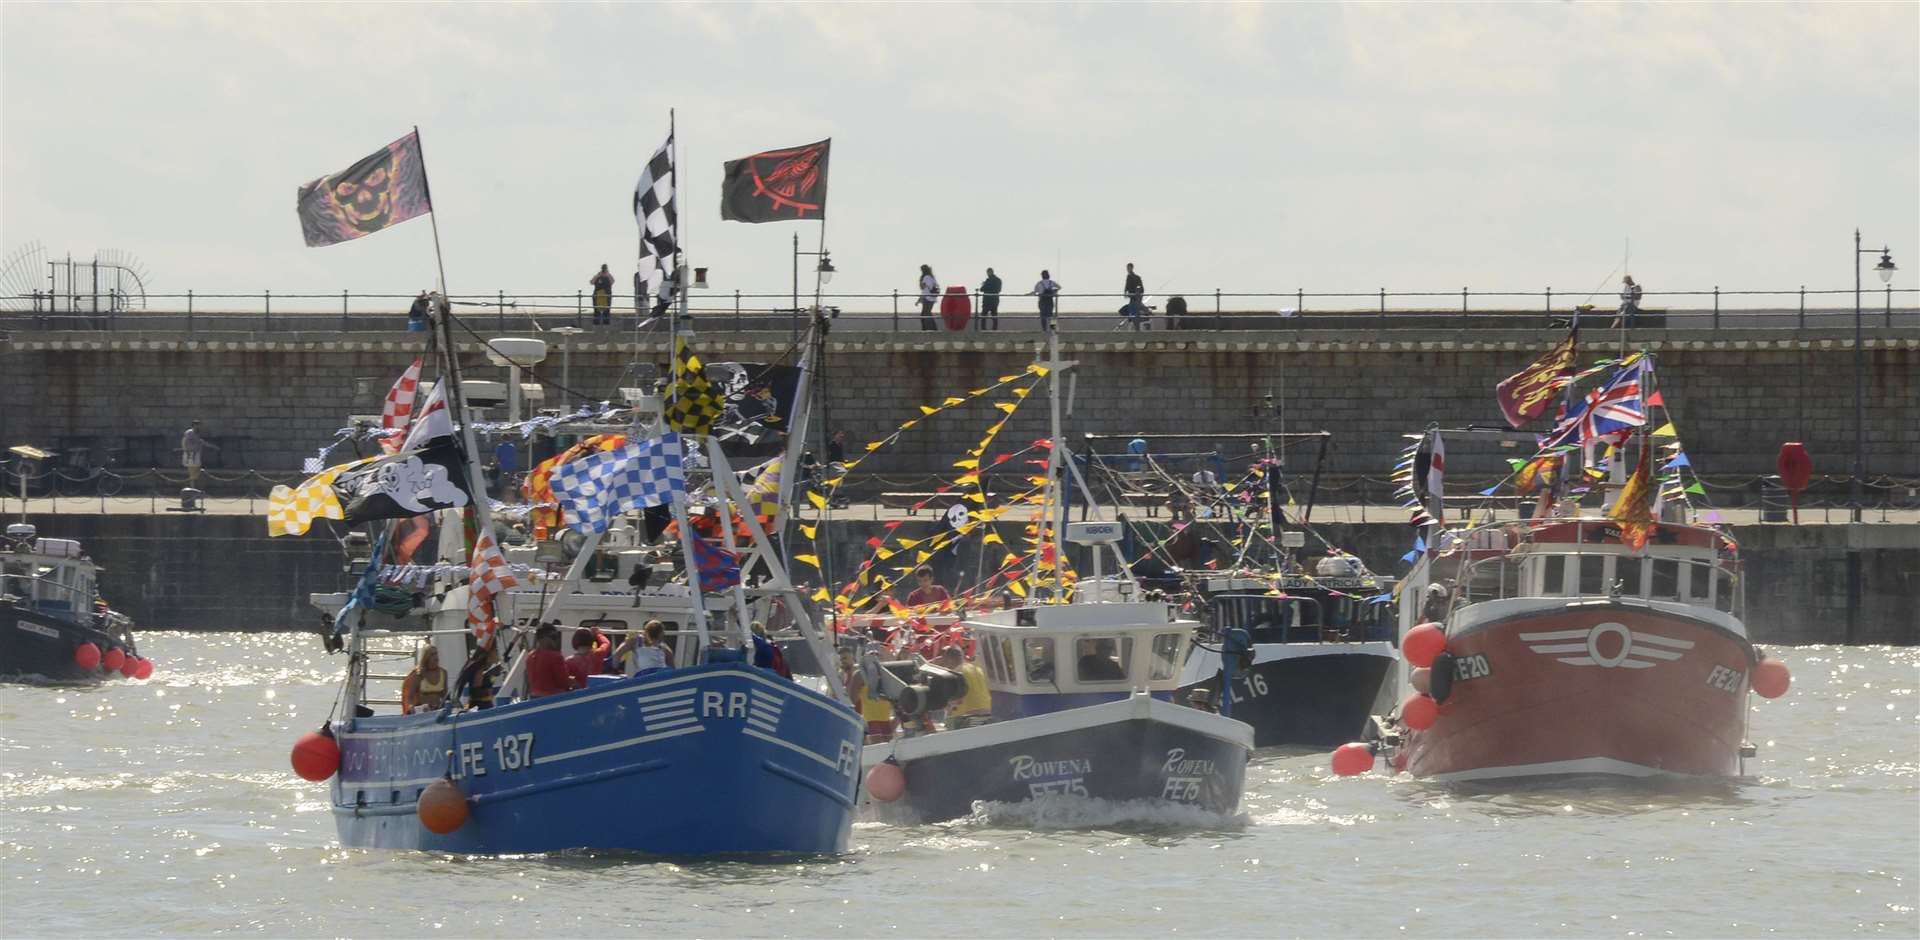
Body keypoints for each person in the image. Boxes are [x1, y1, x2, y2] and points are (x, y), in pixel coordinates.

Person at [843, 647, 896, 743]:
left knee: (888, 744)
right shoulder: (859, 675)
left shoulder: (887, 672)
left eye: (877, 655)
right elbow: (852, 699)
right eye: (872, 655)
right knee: (878, 743)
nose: (875, 658)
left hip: (885, 717)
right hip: (871, 718)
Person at [940, 646, 992, 728]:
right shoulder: (978, 669)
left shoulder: (955, 674)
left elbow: (954, 702)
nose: (945, 664)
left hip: (968, 718)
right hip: (987, 713)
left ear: (950, 659)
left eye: (945, 661)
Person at [527, 624, 579, 698]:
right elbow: (563, 683)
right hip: (552, 699)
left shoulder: (530, 656)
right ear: (543, 638)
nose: (556, 640)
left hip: (534, 698)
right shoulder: (555, 656)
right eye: (553, 637)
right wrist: (573, 681)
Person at [400, 645, 449, 714]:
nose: (436, 657)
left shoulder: (443, 673)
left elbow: (445, 695)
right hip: (423, 711)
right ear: (426, 657)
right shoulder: (419, 674)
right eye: (432, 654)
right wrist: (411, 707)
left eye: (436, 654)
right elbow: (409, 697)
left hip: (438, 710)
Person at [456, 640, 502, 710]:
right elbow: (476, 691)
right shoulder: (480, 670)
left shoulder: (487, 668)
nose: (497, 653)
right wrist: (488, 691)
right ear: (490, 653)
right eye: (496, 650)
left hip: (483, 706)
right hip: (481, 707)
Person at [181, 421, 218, 489]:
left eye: (199, 425)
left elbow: (202, 442)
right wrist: (187, 452)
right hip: (190, 455)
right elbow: (184, 441)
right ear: (194, 425)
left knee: (197, 472)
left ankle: (195, 488)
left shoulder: (197, 434)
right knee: (192, 472)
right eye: (197, 425)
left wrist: (213, 447)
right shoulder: (189, 432)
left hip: (196, 454)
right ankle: (192, 488)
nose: (199, 427)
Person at [1122, 262, 1147, 331]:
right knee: (1134, 312)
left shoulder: (1132, 276)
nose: (1128, 269)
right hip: (1134, 297)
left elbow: (1128, 285)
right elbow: (1127, 286)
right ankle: (1136, 327)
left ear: (1131, 268)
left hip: (1135, 297)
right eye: (1127, 268)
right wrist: (1125, 292)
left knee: (1133, 312)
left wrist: (1126, 292)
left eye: (1129, 268)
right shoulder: (1132, 276)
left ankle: (1136, 328)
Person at [918, 265, 940, 331]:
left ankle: (926, 329)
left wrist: (920, 282)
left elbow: (923, 287)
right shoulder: (932, 277)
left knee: (925, 314)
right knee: (927, 313)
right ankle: (933, 329)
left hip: (927, 298)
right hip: (932, 298)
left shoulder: (926, 277)